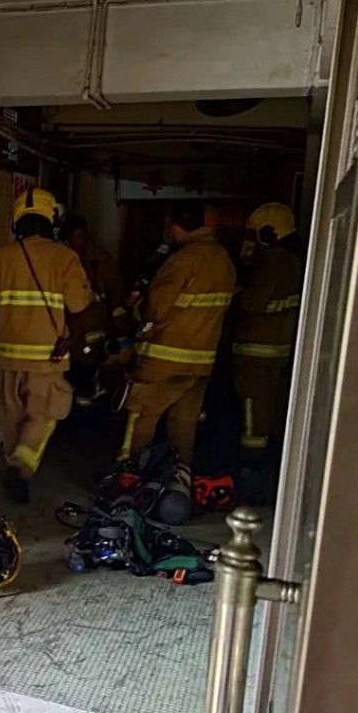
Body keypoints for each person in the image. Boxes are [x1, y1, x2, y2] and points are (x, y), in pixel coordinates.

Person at [118, 200, 236, 521]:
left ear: (176, 226)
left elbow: (156, 308)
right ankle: (177, 484)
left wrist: (136, 306)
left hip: (164, 359)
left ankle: (127, 479)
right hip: (201, 362)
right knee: (184, 426)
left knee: (141, 415)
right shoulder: (223, 260)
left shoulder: (183, 259)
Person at [0, 188, 91, 503]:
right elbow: (79, 303)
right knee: (44, 413)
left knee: (13, 411)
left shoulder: (3, 255)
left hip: (10, 352)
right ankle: (20, 467)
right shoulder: (64, 257)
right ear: (52, 221)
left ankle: (11, 463)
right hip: (47, 355)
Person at [232, 202, 303, 493]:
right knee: (269, 409)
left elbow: (254, 301)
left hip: (256, 350)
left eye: (253, 234)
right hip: (276, 349)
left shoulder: (273, 260)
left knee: (253, 412)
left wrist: (236, 294)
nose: (249, 242)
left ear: (268, 233)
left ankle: (250, 473)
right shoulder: (294, 260)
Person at [61, 212, 130, 399]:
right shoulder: (60, 259)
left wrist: (121, 328)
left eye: (79, 236)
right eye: (71, 237)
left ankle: (89, 393)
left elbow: (116, 295)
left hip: (94, 326)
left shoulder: (101, 260)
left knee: (89, 364)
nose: (75, 241)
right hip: (67, 328)